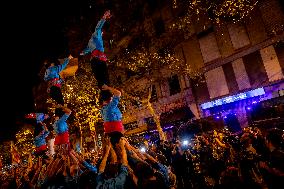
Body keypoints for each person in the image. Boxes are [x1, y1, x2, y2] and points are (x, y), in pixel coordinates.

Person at [80, 10, 111, 89]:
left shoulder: (91, 40)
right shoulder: (97, 34)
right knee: (102, 74)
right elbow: (98, 27)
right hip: (99, 58)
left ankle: (103, 86)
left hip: (95, 59)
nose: (102, 33)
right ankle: (105, 86)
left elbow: (88, 49)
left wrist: (83, 52)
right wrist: (104, 17)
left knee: (98, 75)